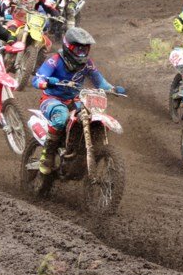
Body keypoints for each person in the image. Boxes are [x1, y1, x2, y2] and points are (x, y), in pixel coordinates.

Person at [31, 28, 126, 174]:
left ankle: (84, 150)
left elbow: (100, 82)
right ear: (68, 47)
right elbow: (37, 79)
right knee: (61, 117)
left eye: (85, 49)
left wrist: (113, 89)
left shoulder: (87, 64)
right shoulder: (55, 60)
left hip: (75, 100)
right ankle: (48, 154)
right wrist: (48, 82)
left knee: (91, 113)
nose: (82, 53)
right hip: (52, 100)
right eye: (78, 49)